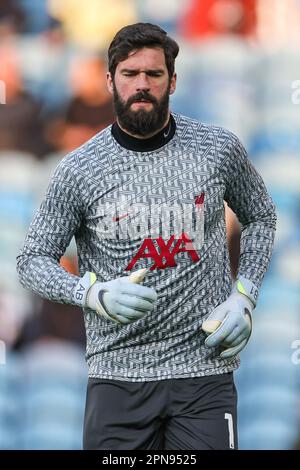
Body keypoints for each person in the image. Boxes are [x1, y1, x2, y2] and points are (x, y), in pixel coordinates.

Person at [17, 22, 276, 450]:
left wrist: (245, 294)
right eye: (130, 74)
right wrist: (90, 293)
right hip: (117, 378)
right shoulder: (79, 169)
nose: (142, 85)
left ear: (173, 80)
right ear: (109, 81)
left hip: (203, 375)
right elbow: (31, 261)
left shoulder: (218, 149)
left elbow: (262, 217)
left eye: (154, 75)